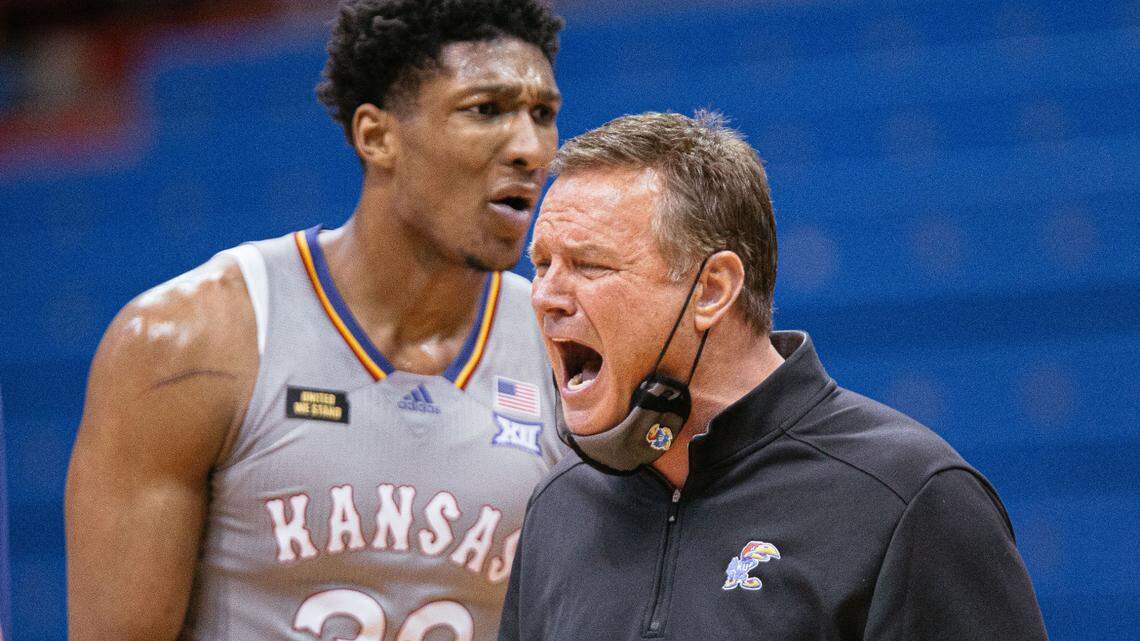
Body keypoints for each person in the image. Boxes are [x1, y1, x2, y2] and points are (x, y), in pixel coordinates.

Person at [66, 1, 565, 639]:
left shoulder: (562, 346)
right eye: (486, 109)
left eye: (543, 115)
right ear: (376, 135)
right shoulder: (190, 338)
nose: (529, 149)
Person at [502, 111, 1049, 640]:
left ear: (712, 290)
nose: (545, 296)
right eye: (541, 264)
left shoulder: (909, 497)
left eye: (589, 265)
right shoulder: (559, 506)